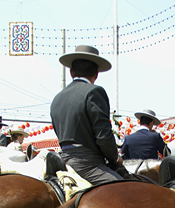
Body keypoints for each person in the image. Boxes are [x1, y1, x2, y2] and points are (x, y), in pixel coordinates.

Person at [50, 45, 123, 184]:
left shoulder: (57, 97)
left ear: (71, 72)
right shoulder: (94, 92)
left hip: (64, 161)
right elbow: (103, 135)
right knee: (127, 190)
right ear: (96, 74)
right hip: (88, 164)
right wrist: (114, 158)